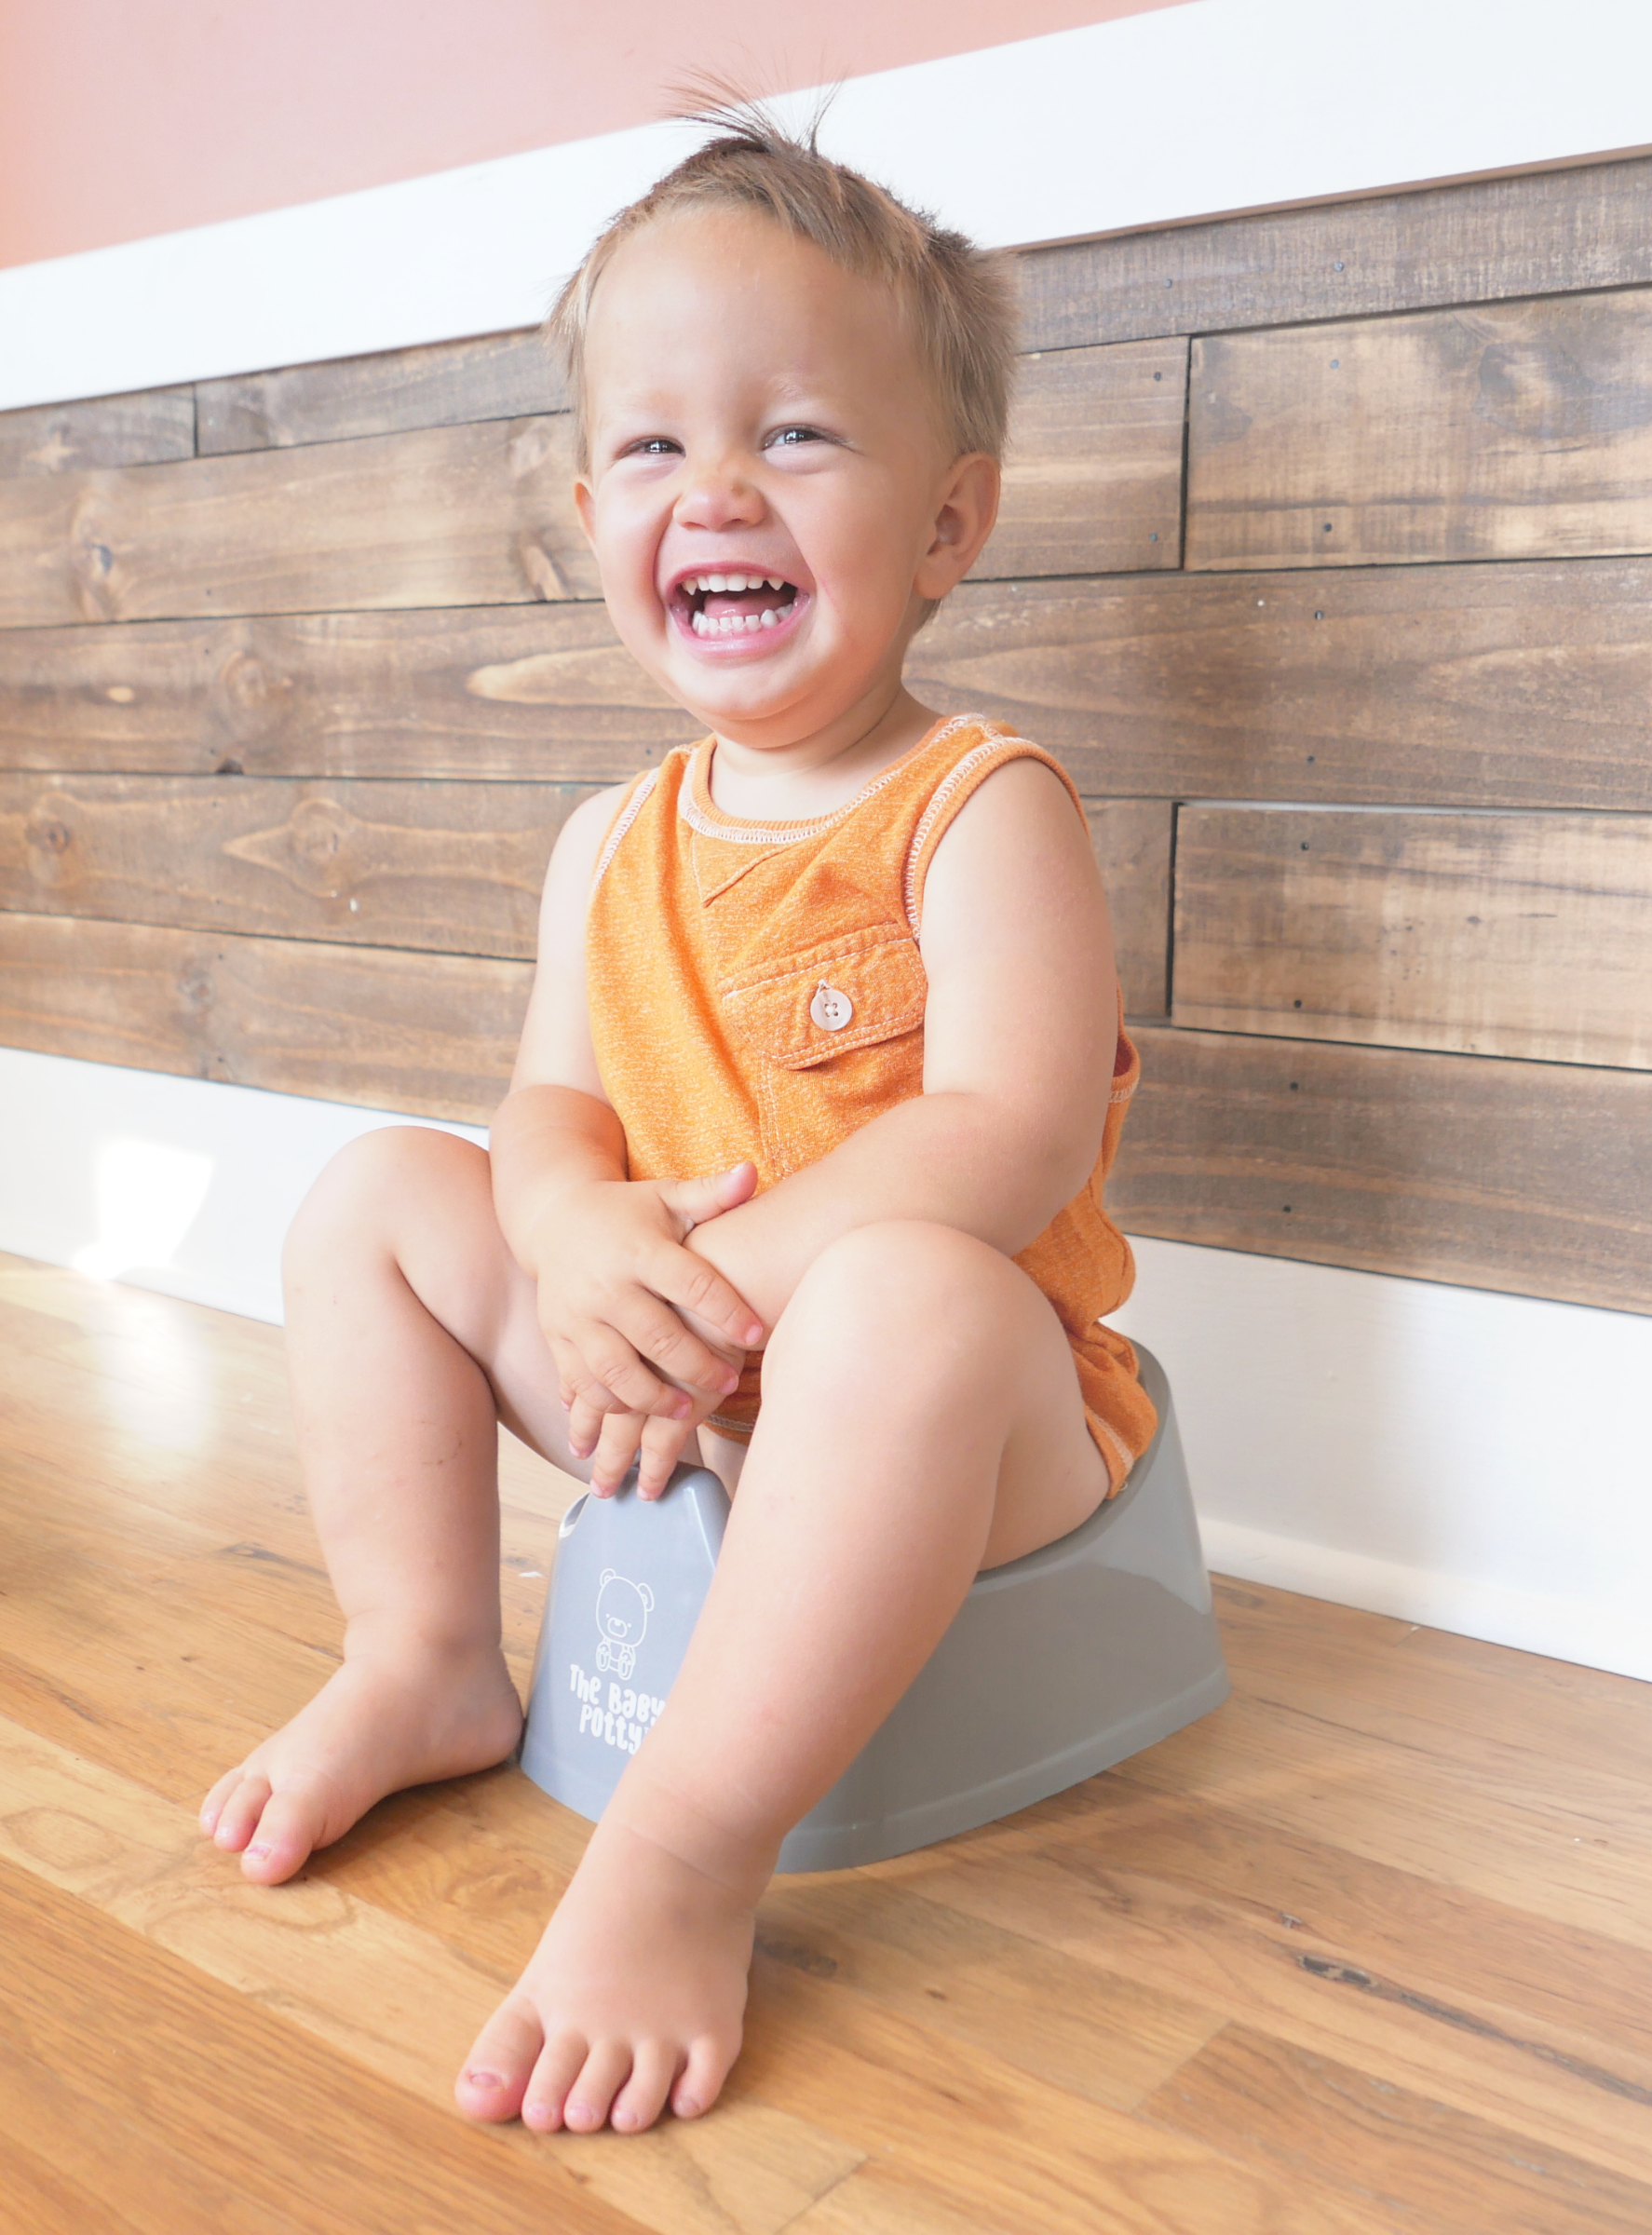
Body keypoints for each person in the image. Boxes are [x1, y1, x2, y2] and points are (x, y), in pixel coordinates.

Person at [196, 107, 1153, 2138]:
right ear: (587, 508)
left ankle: (684, 1853)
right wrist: (566, 1239)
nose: (715, 484)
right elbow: (550, 1101)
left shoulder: (985, 806)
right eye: (654, 446)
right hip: (680, 1380)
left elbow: (1013, 1130)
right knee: (375, 1196)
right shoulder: (607, 840)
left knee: (903, 1292)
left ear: (948, 524)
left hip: (965, 1426)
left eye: (797, 435)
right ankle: (430, 1652)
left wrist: (710, 1284)